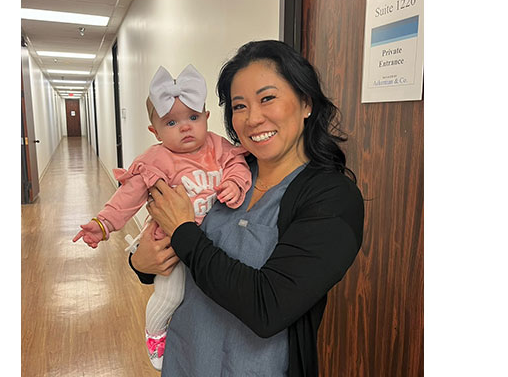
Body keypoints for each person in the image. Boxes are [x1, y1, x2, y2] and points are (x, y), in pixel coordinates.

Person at [129, 40, 364, 376]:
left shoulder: (332, 199)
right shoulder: (223, 172)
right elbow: (168, 242)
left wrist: (184, 232)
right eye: (239, 106)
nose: (253, 118)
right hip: (184, 359)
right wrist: (141, 263)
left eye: (267, 98)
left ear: (306, 102)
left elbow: (268, 307)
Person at [72, 64, 251, 370]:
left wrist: (235, 183)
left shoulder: (218, 147)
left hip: (212, 243)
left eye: (193, 118)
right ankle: (155, 334)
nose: (185, 128)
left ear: (207, 117)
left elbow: (237, 164)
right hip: (170, 244)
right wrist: (103, 223)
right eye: (171, 122)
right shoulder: (155, 160)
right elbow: (128, 197)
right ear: (154, 131)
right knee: (171, 295)